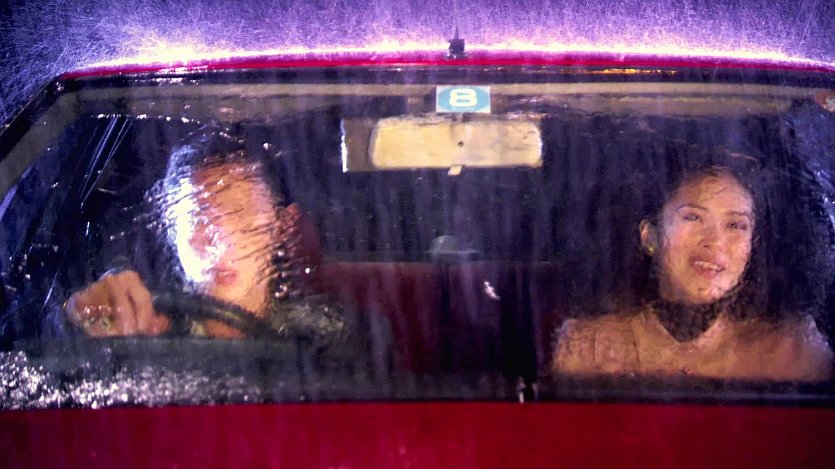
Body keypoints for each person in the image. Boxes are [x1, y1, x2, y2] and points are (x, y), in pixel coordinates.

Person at [63, 129, 390, 370]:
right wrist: (80, 317)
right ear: (171, 231)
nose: (220, 243)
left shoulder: (332, 338)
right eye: (196, 218)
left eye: (241, 214)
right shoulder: (139, 330)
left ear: (281, 227)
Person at [551, 160, 834, 382]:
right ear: (650, 237)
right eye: (693, 217)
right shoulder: (588, 347)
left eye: (735, 225)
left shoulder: (794, 352)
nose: (714, 241)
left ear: (752, 246)